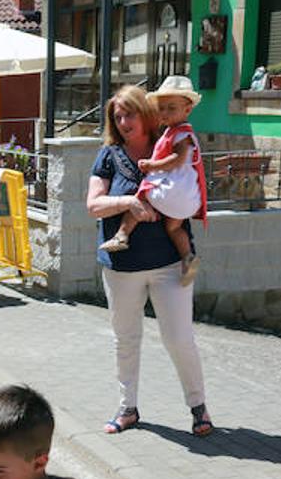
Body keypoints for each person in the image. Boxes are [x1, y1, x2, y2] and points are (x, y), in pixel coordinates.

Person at [87, 85, 213, 438]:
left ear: (146, 114)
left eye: (130, 113)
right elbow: (93, 204)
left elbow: (190, 183)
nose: (124, 121)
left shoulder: (172, 142)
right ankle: (128, 408)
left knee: (179, 338)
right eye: (118, 116)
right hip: (121, 268)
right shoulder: (109, 155)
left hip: (168, 264)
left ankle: (198, 406)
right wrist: (128, 202)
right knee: (126, 338)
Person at [97, 75, 206, 285]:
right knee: (174, 228)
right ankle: (188, 258)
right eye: (162, 108)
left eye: (171, 108)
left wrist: (152, 166)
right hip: (186, 199)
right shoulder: (174, 133)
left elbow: (178, 158)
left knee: (141, 198)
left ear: (188, 109)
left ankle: (122, 234)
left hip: (173, 192)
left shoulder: (180, 134)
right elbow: (93, 204)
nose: (165, 113)